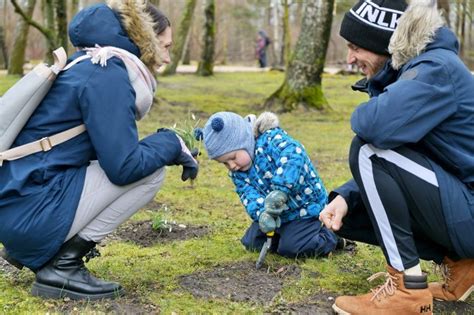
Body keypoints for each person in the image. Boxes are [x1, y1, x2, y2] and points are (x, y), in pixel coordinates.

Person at [0, 0, 198, 300]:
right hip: (29, 216)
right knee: (151, 173)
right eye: (165, 46)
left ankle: (36, 248)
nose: (168, 57)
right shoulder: (107, 72)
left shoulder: (85, 62)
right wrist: (172, 143)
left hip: (19, 207)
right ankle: (63, 266)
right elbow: (124, 167)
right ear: (143, 39)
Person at [318, 0, 474, 314]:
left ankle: (408, 290)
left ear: (385, 44)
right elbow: (410, 159)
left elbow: (373, 127)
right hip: (464, 201)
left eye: (356, 47)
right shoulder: (418, 69)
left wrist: (379, 89)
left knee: (366, 149)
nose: (350, 59)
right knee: (349, 212)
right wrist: (348, 196)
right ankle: (463, 266)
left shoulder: (435, 69)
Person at [199, 111, 342, 260]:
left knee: (294, 248)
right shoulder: (238, 174)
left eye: (233, 158)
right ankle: (285, 238)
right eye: (225, 163)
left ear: (244, 141)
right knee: (252, 243)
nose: (232, 166)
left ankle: (332, 236)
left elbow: (294, 155)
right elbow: (248, 196)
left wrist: (281, 190)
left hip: (305, 210)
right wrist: (262, 214)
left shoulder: (271, 140)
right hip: (279, 216)